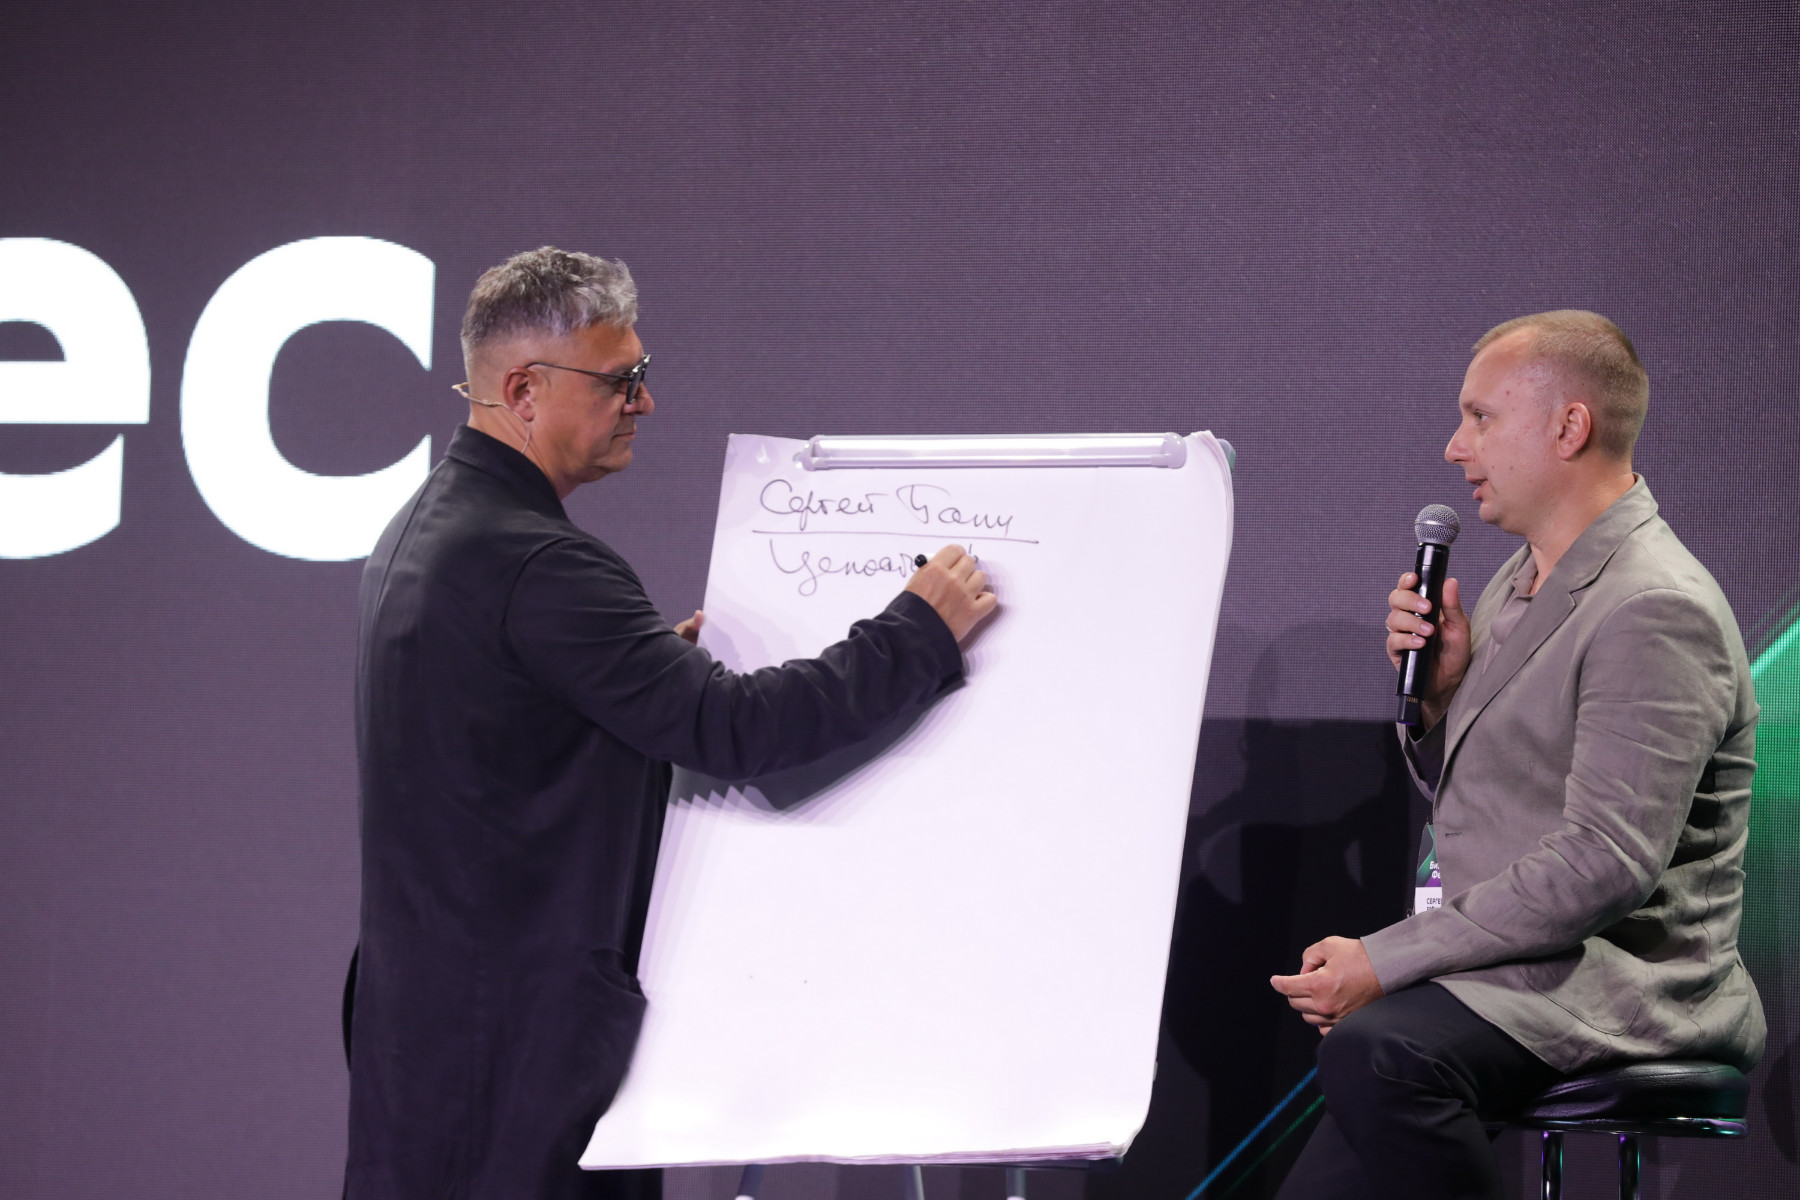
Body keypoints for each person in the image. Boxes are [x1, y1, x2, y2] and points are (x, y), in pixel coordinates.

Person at [343, 247, 997, 1200]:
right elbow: (737, 729)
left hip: (435, 1045)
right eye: (621, 380)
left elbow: (506, 742)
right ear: (523, 390)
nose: (644, 402)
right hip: (516, 1062)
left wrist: (630, 683)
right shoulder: (539, 564)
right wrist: (918, 632)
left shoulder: (423, 530)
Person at [1268, 311, 1764, 1200]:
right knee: (1365, 1072)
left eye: (1481, 417)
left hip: (1625, 984)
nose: (1456, 447)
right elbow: (1481, 793)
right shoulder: (1522, 576)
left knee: (1383, 1052)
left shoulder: (1654, 606)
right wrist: (1439, 698)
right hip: (1523, 971)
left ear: (1569, 427)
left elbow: (1603, 863)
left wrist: (1390, 958)